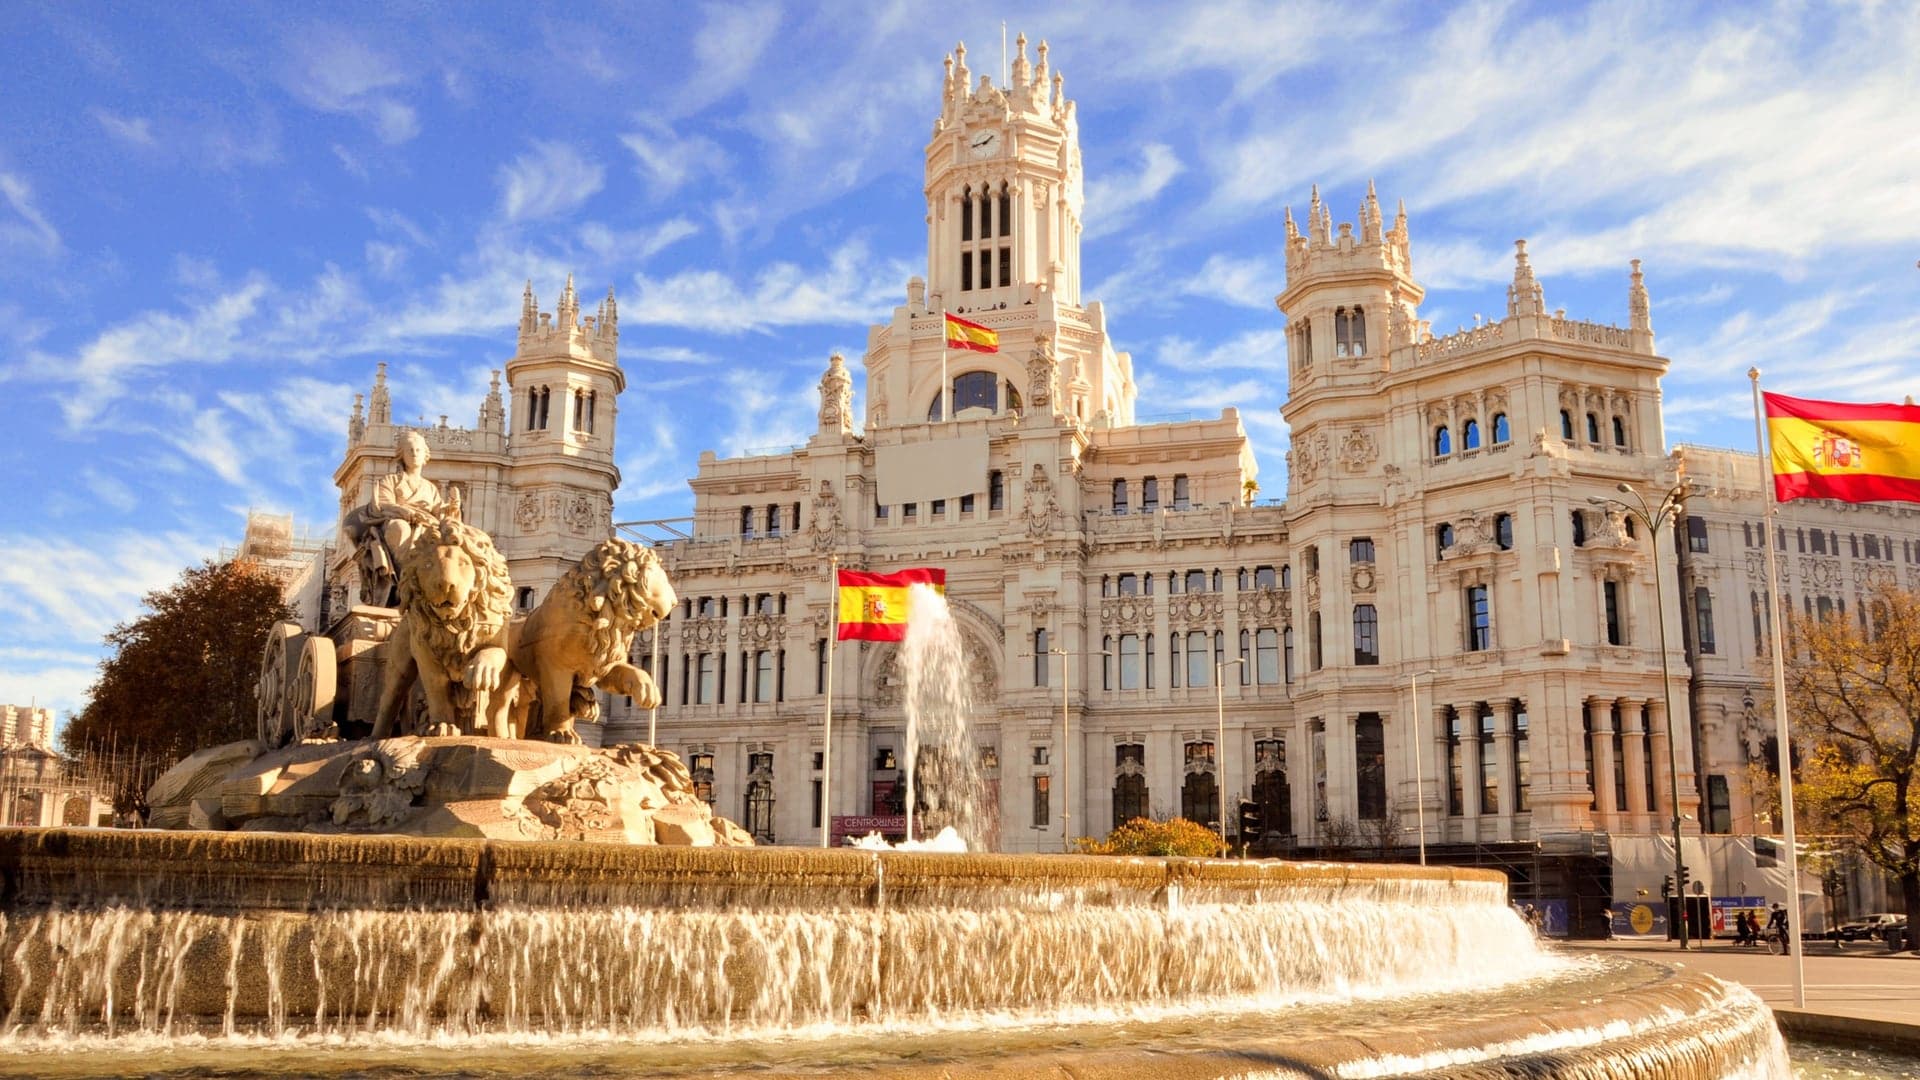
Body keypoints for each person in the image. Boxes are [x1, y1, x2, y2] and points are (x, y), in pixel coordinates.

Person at [341, 430, 447, 607]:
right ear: (402, 455)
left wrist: (451, 509)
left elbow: (440, 513)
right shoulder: (390, 480)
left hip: (427, 526)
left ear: (425, 455)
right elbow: (382, 504)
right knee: (400, 528)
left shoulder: (431, 488)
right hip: (396, 523)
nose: (414, 454)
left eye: (418, 450)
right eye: (410, 450)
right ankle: (405, 584)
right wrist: (405, 512)